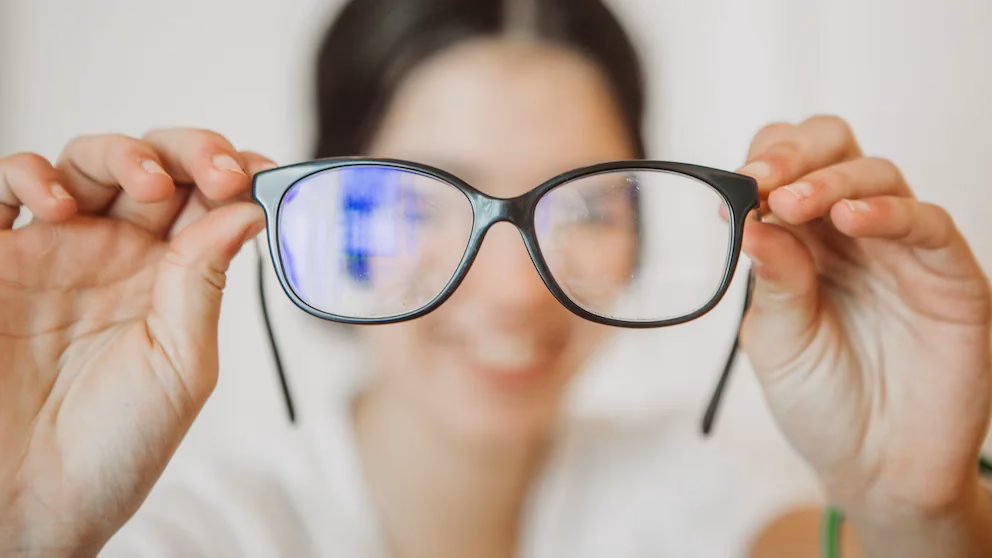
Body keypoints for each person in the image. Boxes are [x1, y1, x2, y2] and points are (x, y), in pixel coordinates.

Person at [1, 0, 990, 556]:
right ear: (313, 216)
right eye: (424, 200)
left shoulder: (710, 502)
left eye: (588, 203)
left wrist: (918, 514)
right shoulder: (190, 535)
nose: (516, 292)